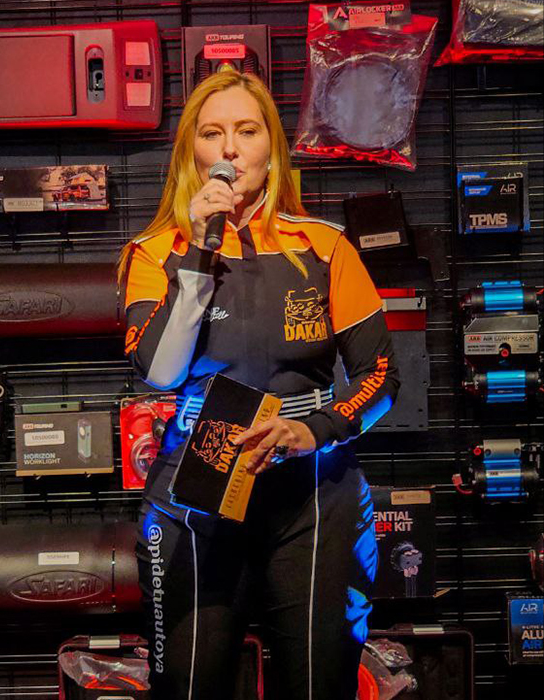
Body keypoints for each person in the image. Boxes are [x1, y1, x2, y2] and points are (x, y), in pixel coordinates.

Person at [118, 70, 400, 700]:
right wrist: (198, 250)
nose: (229, 148)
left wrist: (315, 429)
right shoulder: (155, 251)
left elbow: (381, 376)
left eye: (247, 131)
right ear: (191, 151)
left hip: (315, 493)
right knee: (187, 686)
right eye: (212, 133)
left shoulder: (324, 246)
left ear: (272, 146)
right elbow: (159, 371)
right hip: (198, 486)